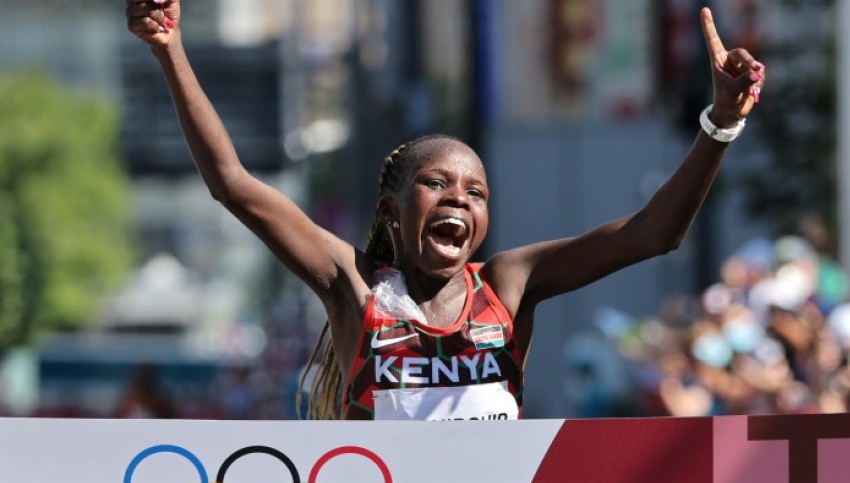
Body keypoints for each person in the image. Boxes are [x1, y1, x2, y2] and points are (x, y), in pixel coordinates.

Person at [126, 0, 766, 420]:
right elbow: (234, 184)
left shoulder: (510, 283)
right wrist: (169, 48)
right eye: (437, 185)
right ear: (390, 210)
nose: (459, 198)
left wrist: (720, 126)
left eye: (476, 192)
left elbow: (653, 234)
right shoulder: (352, 287)